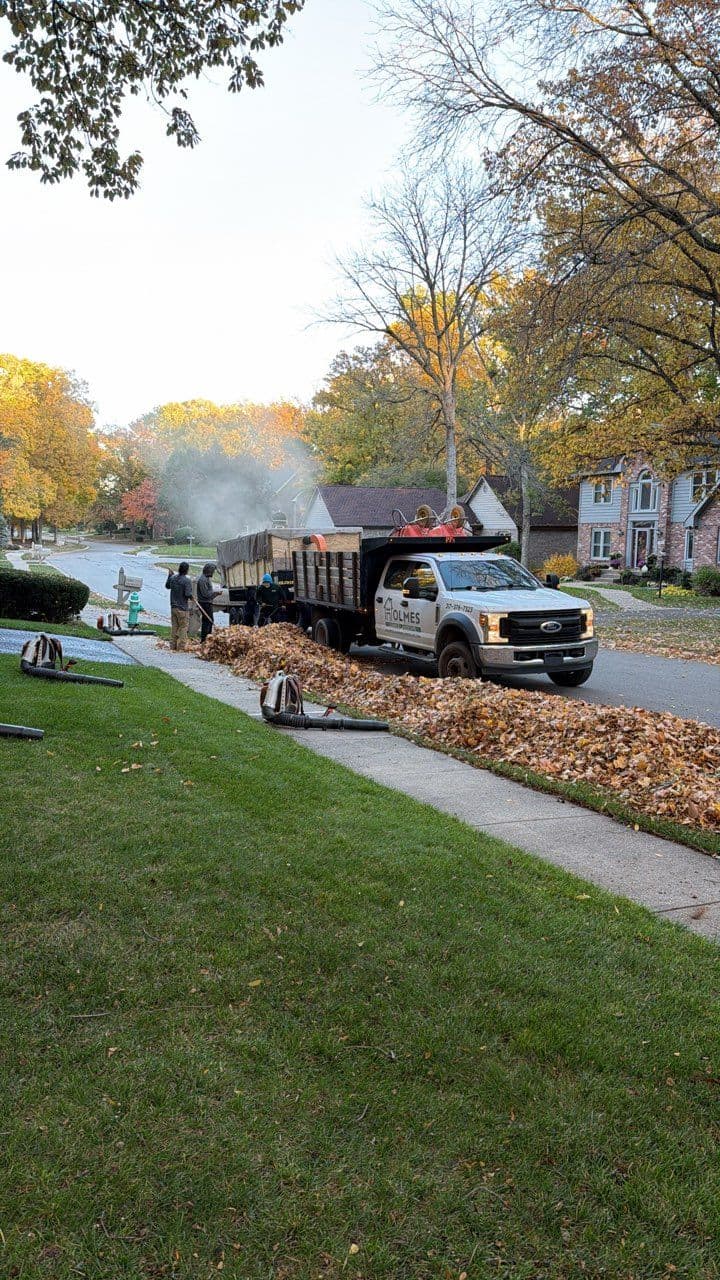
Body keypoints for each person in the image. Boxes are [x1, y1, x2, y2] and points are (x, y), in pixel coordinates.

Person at [165, 561, 193, 651]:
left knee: (175, 627)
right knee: (183, 627)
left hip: (173, 607)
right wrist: (192, 596)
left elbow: (167, 586)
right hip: (183, 608)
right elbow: (187, 594)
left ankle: (172, 646)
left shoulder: (173, 578)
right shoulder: (187, 581)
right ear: (187, 570)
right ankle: (181, 647)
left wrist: (169, 576)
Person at [196, 562, 222, 642]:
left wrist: (215, 593)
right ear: (209, 571)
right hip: (205, 603)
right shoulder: (202, 580)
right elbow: (205, 594)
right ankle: (205, 639)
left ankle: (207, 638)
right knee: (208, 621)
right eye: (212, 571)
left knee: (208, 621)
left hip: (207, 602)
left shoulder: (207, 579)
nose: (213, 573)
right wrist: (215, 593)